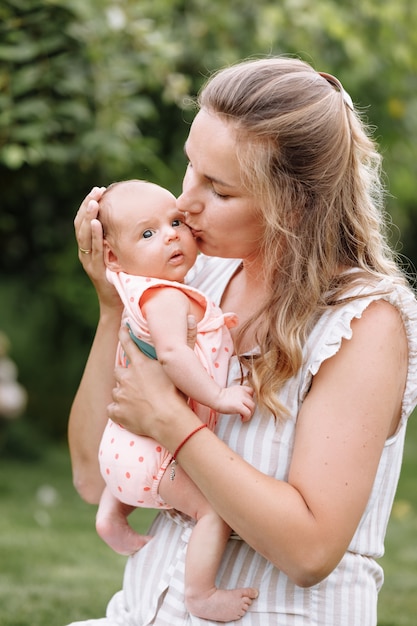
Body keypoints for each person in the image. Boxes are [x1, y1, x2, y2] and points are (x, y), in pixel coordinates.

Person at [68, 56, 417, 626]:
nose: (184, 204)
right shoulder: (194, 279)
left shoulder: (363, 322)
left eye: (220, 190)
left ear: (294, 205)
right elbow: (90, 474)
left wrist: (170, 422)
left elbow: (309, 552)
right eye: (190, 168)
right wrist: (113, 307)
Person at [94, 178, 256, 621]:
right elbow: (172, 355)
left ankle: (112, 514)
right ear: (113, 255)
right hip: (152, 457)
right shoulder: (166, 296)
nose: (169, 235)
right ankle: (200, 594)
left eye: (175, 222)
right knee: (213, 512)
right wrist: (218, 395)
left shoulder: (137, 291)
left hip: (122, 451)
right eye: (147, 234)